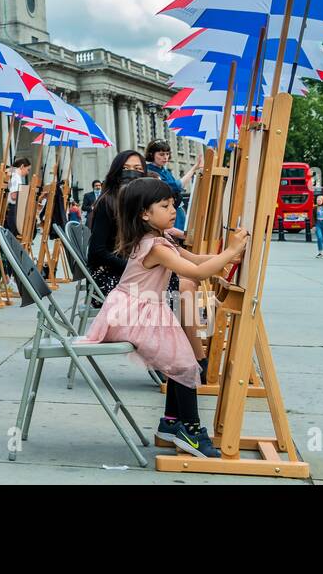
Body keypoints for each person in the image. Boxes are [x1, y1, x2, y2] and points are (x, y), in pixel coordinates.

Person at [83, 177, 248, 458]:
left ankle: (171, 423)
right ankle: (192, 431)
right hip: (134, 312)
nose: (173, 210)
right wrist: (230, 251)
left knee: (179, 361)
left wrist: (223, 258)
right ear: (145, 214)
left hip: (139, 308)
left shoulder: (160, 239)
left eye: (173, 204)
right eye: (165, 205)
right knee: (184, 363)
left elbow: (193, 259)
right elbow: (195, 273)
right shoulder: (155, 246)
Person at [86, 151, 150, 296]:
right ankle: (169, 318)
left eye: (138, 169)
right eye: (126, 169)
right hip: (109, 277)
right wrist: (132, 268)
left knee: (181, 282)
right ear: (116, 172)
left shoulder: (141, 202)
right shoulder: (107, 202)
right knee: (175, 288)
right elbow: (97, 252)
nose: (132, 173)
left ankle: (174, 318)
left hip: (130, 273)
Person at [144, 141, 201, 232]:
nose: (165, 157)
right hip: (165, 212)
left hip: (176, 210)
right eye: (161, 154)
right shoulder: (149, 171)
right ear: (151, 154)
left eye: (167, 154)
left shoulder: (165, 171)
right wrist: (194, 168)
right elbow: (176, 186)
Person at [5, 156, 31, 233]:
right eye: (28, 170)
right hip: (13, 208)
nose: (27, 173)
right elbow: (14, 195)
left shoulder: (12, 173)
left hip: (13, 208)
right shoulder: (16, 176)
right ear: (22, 166)